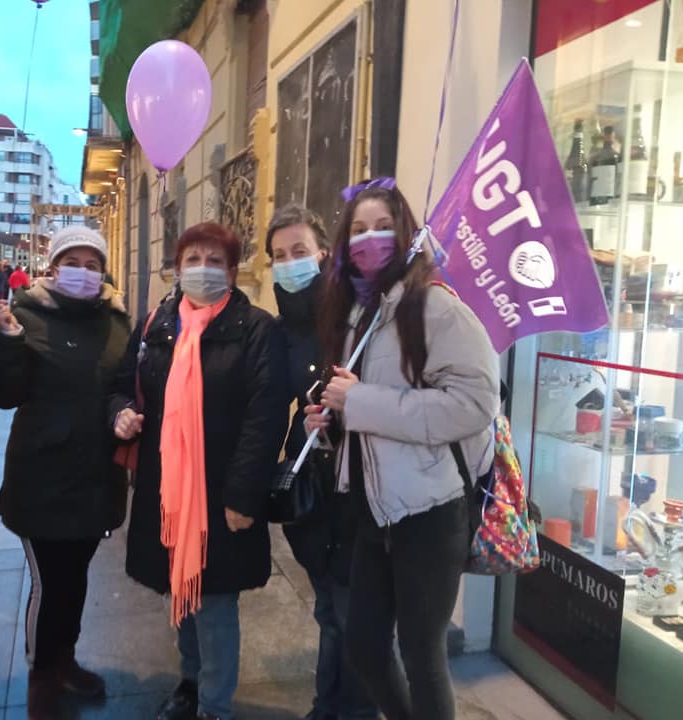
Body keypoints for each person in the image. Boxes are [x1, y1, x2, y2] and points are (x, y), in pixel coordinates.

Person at [305, 179, 498, 720]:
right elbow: (359, 417)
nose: (370, 240)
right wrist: (327, 424)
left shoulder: (434, 306)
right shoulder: (356, 316)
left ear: (407, 235)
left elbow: (473, 404)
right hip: (373, 511)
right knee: (365, 646)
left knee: (421, 652)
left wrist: (360, 400)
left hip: (430, 510)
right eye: (359, 230)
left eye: (382, 228)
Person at [111, 222, 288, 720]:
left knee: (214, 605)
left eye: (215, 261)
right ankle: (189, 683)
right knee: (181, 593)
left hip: (221, 491)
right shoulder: (154, 326)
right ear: (177, 267)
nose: (203, 270)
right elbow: (123, 386)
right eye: (193, 259)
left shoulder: (256, 329)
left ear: (233, 272)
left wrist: (242, 495)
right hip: (165, 490)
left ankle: (213, 706)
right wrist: (119, 413)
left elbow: (266, 414)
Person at [0, 226, 130, 719]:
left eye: (94, 265)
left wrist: (125, 412)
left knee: (77, 577)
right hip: (41, 478)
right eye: (75, 262)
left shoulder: (116, 322)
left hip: (95, 476)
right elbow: (5, 395)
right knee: (50, 583)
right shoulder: (27, 314)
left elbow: (124, 384)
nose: (84, 273)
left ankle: (65, 659)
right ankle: (41, 672)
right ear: (53, 267)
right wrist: (7, 341)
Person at [266, 205, 378, 720]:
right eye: (279, 256)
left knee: (357, 615)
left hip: (364, 488)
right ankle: (324, 707)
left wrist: (354, 404)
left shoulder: (359, 314)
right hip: (316, 488)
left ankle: (348, 710)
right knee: (330, 610)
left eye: (299, 251)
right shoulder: (283, 327)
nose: (290, 263)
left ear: (323, 254)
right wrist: (306, 424)